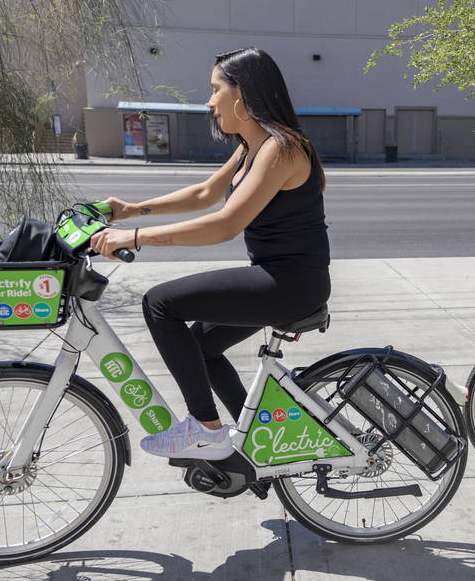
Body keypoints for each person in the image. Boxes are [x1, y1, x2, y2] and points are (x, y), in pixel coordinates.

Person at [92, 48, 330, 460]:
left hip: (291, 284)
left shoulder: (282, 149)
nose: (209, 102)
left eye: (215, 89)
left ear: (244, 94)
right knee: (201, 346)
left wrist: (133, 237)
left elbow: (224, 225)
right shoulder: (251, 146)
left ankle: (205, 426)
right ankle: (257, 445)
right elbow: (204, 193)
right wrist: (134, 209)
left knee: (160, 304)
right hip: (278, 278)